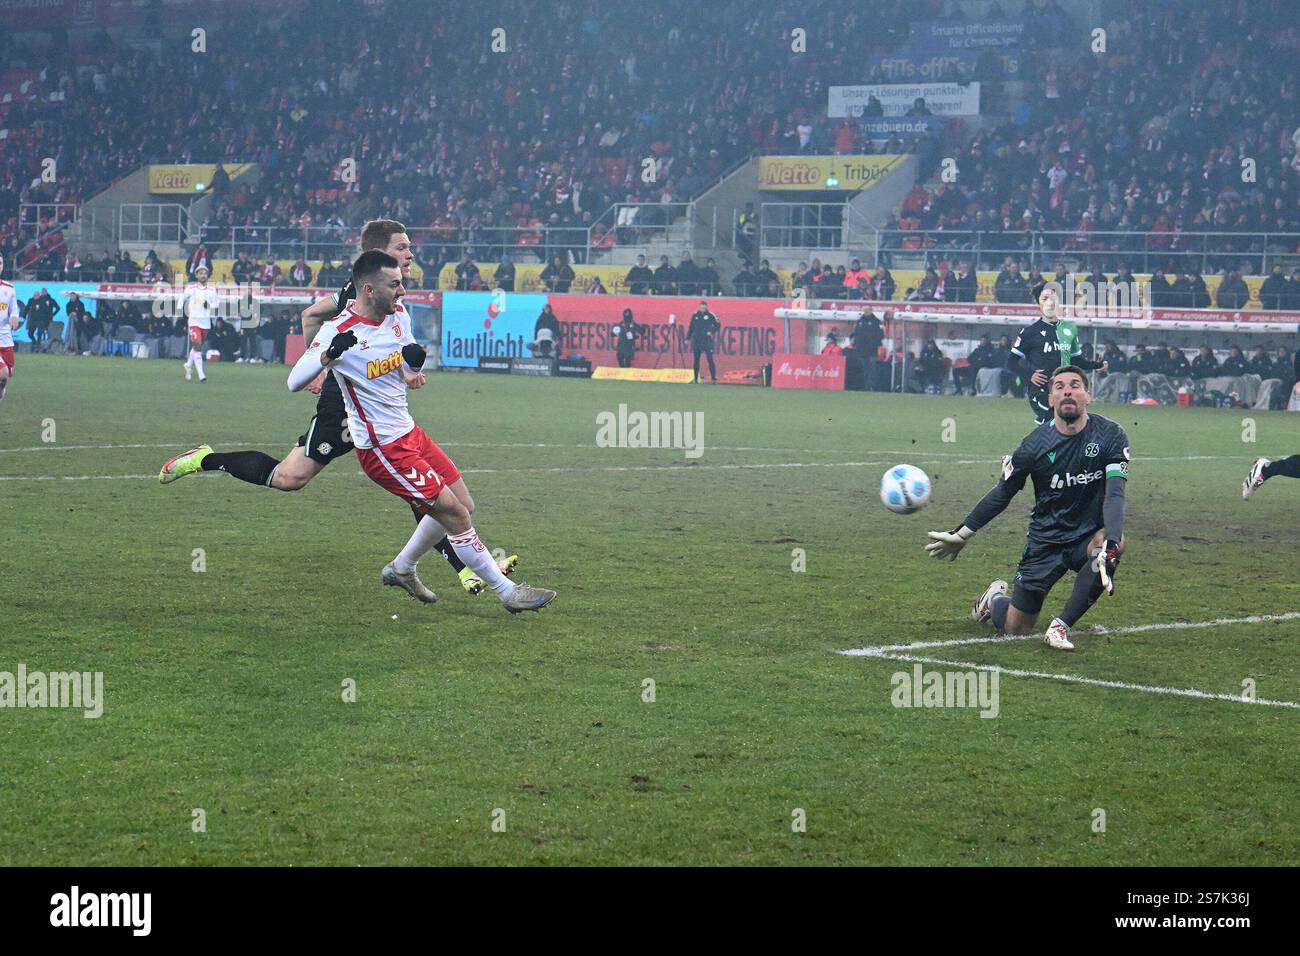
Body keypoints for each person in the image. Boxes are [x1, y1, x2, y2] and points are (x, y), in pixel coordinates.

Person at [159, 219, 517, 598]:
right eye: (402, 248)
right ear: (376, 260)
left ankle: (449, 568)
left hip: (381, 413)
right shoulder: (357, 294)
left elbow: (395, 351)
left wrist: (408, 370)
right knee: (290, 478)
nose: (409, 255)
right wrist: (322, 365)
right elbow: (312, 318)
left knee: (424, 486)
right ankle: (206, 459)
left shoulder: (395, 299)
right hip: (346, 409)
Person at [284, 250, 553, 613]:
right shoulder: (339, 330)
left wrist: (410, 370)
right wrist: (328, 355)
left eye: (402, 284)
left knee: (464, 505)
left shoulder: (399, 317)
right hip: (382, 448)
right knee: (456, 515)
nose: (402, 292)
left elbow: (402, 358)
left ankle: (402, 568)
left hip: (410, 433)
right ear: (368, 289)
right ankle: (508, 593)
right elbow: (293, 381)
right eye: (394, 285)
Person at [926, 365, 1130, 651]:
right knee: (1015, 630)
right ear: (1050, 400)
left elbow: (1115, 494)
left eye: (1075, 385)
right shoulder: (1034, 446)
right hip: (1045, 541)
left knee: (1112, 543)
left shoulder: (1111, 434)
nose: (1067, 390)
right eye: (1059, 387)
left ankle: (1060, 627)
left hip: (1088, 534)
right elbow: (1002, 493)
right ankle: (994, 600)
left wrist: (1110, 542)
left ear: (1088, 396)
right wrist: (962, 533)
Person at [1009, 287, 1108, 424]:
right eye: (1045, 299)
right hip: (1041, 391)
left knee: (1067, 429)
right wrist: (1030, 374)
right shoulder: (1029, 332)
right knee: (1056, 423)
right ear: (1039, 303)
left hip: (1063, 391)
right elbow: (1011, 362)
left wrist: (1097, 365)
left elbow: (1075, 360)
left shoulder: (1069, 329)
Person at [179, 265, 219, 382]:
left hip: (206, 322)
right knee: (197, 345)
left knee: (198, 346)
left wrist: (210, 305)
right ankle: (201, 374)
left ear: (207, 276)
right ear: (197, 275)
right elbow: (182, 298)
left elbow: (216, 303)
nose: (203, 275)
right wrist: (180, 309)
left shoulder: (212, 290)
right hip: (194, 321)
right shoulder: (191, 288)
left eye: (204, 273)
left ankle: (188, 365)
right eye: (200, 273)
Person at [0, 254, 21, 403]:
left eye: (0, 263)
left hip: (6, 338)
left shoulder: (9, 288)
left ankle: (1, 390)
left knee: (6, 377)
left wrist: (14, 316)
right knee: (3, 373)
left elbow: (14, 308)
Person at [687, 300, 720, 383]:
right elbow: (691, 327)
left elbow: (718, 325)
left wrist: (711, 331)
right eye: (701, 307)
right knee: (696, 360)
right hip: (696, 340)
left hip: (706, 340)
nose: (702, 309)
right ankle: (695, 379)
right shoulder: (695, 315)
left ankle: (713, 379)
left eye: (704, 308)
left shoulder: (711, 315)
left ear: (706, 307)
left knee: (710, 359)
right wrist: (688, 338)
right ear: (699, 307)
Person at [850, 311, 883, 391]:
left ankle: (872, 387)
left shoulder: (876, 321)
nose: (865, 312)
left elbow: (880, 334)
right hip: (862, 351)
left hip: (872, 351)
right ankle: (865, 386)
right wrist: (857, 345)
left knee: (872, 369)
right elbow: (856, 334)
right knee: (864, 369)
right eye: (864, 310)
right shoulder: (860, 321)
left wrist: (874, 344)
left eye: (867, 310)